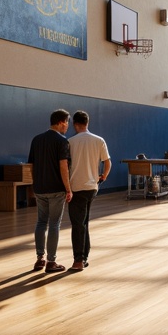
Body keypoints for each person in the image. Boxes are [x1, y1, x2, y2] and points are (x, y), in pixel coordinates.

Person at [28, 109, 73, 273]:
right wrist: (68, 189)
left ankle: (40, 259)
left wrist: (36, 182)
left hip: (40, 188)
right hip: (56, 189)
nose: (67, 126)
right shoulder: (62, 141)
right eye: (67, 122)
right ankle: (51, 262)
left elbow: (31, 166)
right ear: (61, 122)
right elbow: (64, 167)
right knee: (54, 224)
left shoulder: (37, 140)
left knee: (41, 222)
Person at [67, 110, 111, 272]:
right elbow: (107, 163)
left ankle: (78, 260)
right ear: (87, 123)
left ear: (75, 124)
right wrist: (103, 177)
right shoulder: (99, 140)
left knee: (78, 224)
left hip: (76, 187)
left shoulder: (70, 142)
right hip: (92, 187)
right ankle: (84, 257)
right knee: (84, 222)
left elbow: (66, 166)